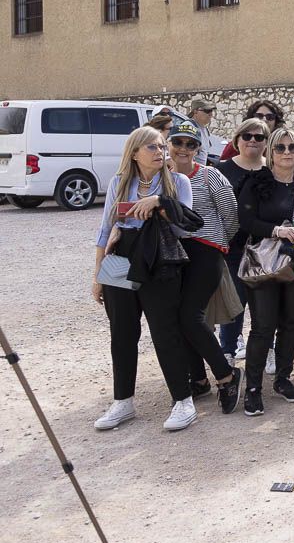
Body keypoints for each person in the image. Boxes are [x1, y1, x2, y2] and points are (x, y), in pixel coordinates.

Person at [91, 126, 198, 432]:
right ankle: (122, 401)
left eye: (162, 146)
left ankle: (183, 399)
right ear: (135, 153)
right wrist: (97, 275)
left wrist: (159, 205)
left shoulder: (178, 181)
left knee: (165, 329)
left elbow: (185, 228)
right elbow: (104, 230)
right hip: (121, 254)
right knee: (122, 331)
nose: (160, 151)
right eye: (152, 147)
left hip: (158, 255)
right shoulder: (119, 182)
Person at [237, 127, 294, 416]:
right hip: (264, 264)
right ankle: (253, 388)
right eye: (280, 147)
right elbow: (245, 219)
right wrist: (276, 230)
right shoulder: (257, 182)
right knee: (263, 326)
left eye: (292, 148)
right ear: (270, 152)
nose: (287, 153)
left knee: (291, 323)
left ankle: (283, 379)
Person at [168, 121, 243, 416]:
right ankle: (197, 378)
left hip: (206, 250)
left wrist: (216, 243)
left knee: (190, 314)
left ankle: (226, 375)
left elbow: (231, 216)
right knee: (176, 316)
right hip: (174, 253)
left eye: (191, 144)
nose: (184, 149)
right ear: (169, 145)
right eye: (178, 143)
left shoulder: (211, 176)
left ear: (198, 148)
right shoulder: (162, 178)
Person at [215, 118, 269, 364]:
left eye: (259, 137)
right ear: (237, 139)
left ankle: (266, 351)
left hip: (266, 247)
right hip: (232, 248)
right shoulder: (221, 170)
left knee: (265, 304)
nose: (253, 141)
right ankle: (228, 352)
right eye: (247, 136)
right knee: (234, 302)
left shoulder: (272, 169)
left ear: (266, 142)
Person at [219, 100, 285, 160]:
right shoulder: (236, 145)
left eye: (270, 117)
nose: (264, 120)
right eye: (259, 116)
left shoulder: (284, 147)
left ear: (276, 121)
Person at [188, 97, 222, 165]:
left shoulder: (204, 128)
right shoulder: (189, 128)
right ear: (195, 111)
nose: (211, 114)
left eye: (211, 111)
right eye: (207, 111)